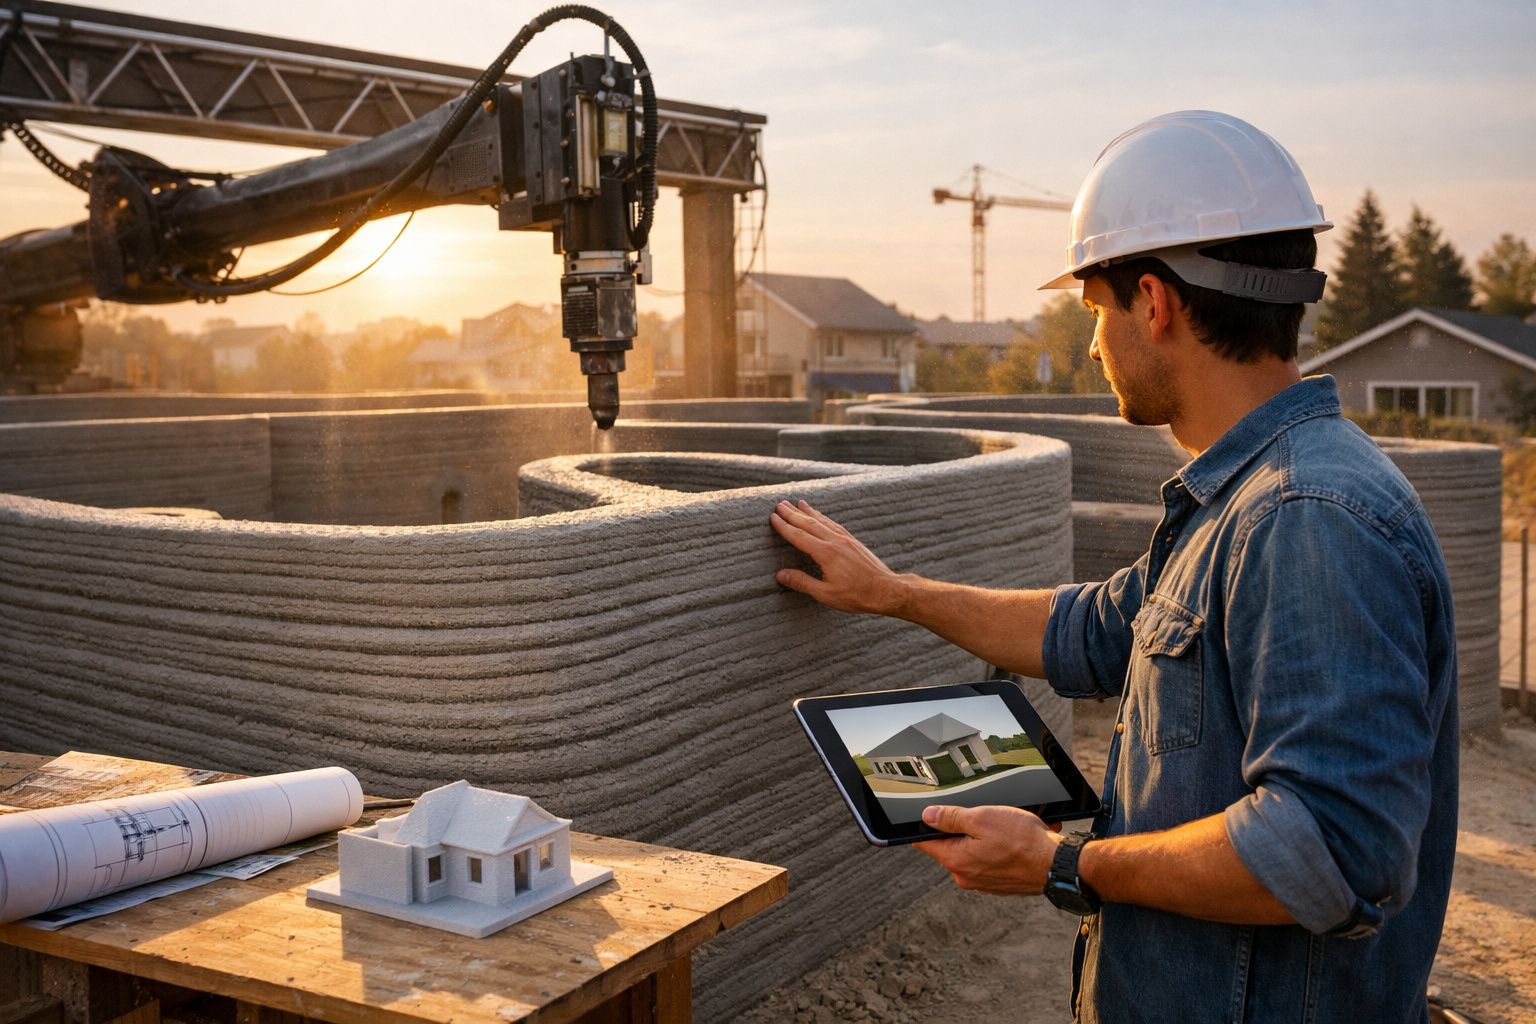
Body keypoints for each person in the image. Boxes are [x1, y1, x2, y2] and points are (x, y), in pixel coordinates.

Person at [770, 110, 1457, 1023]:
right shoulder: (1242, 501)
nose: (1093, 343)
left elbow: (1328, 849)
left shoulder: (1306, 519)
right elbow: (1093, 630)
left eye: (1094, 310)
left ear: (1154, 301)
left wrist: (1062, 863)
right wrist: (892, 594)